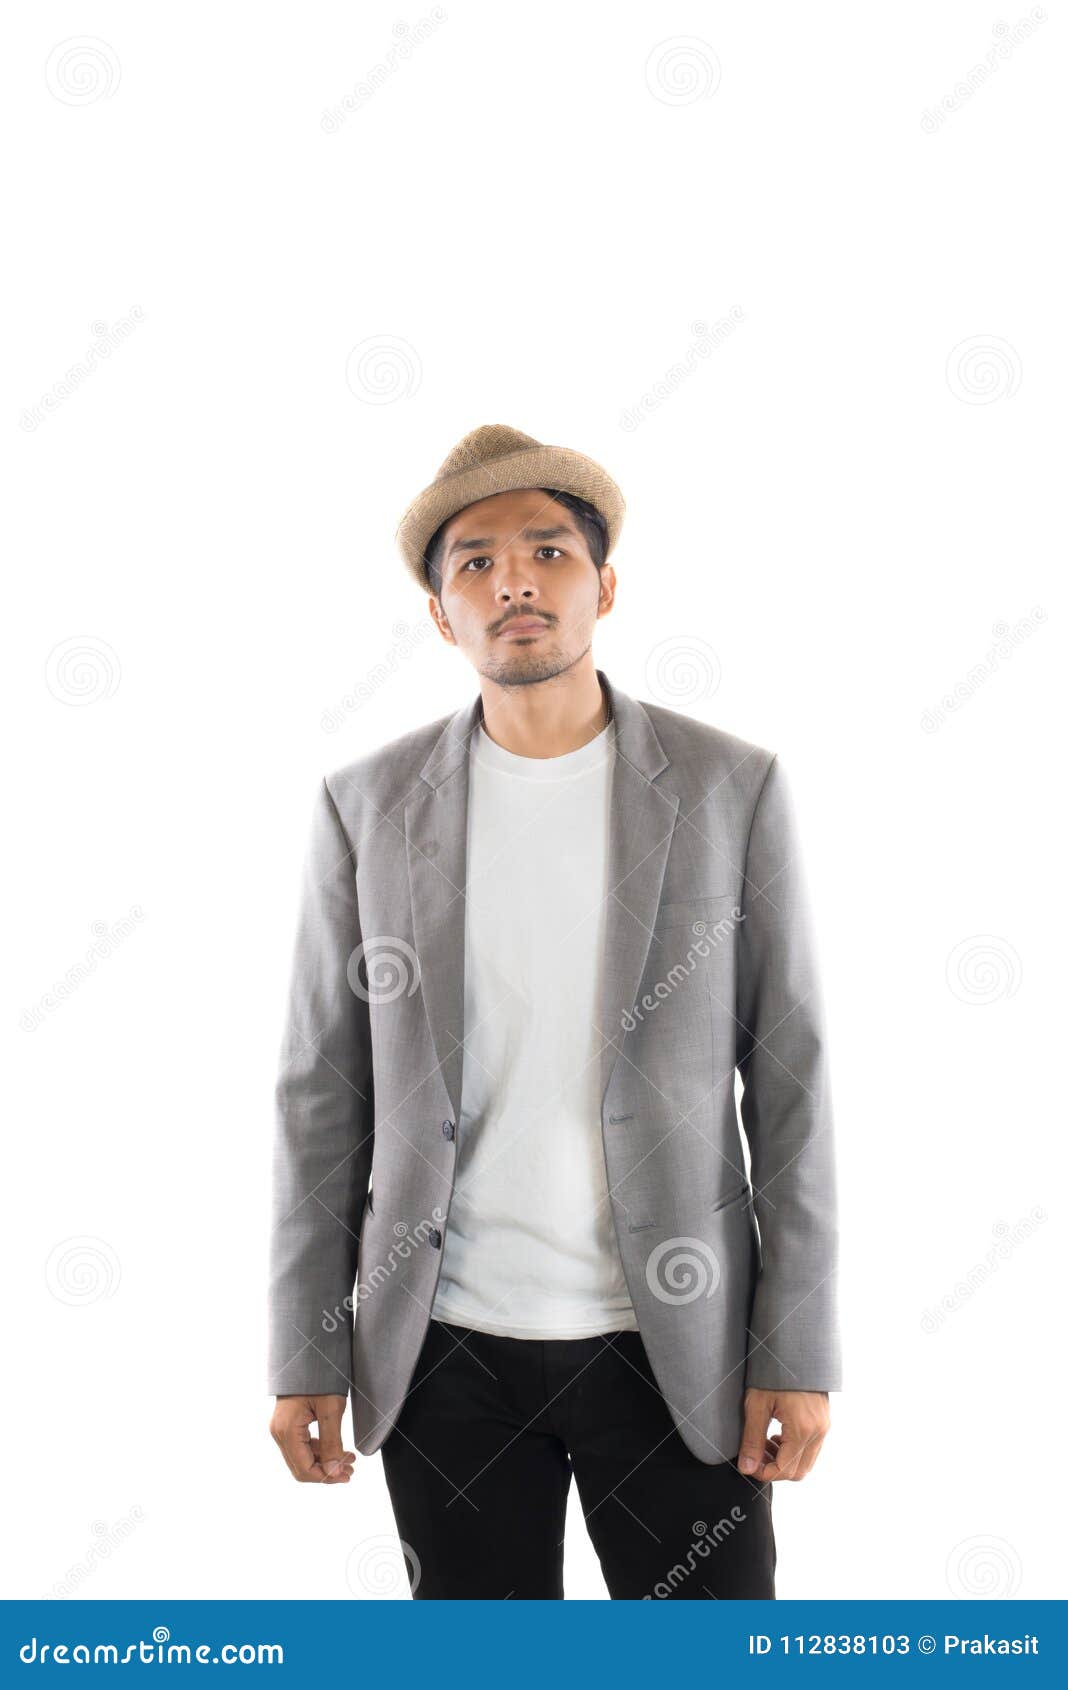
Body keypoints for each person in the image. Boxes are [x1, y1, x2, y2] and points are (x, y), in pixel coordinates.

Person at [268, 424, 841, 1599]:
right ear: (441, 615)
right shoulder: (366, 805)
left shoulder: (732, 786)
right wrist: (305, 1348)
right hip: (442, 1352)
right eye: (473, 562)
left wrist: (798, 1346)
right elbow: (323, 1095)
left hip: (679, 1346)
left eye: (547, 552)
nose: (513, 580)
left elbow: (791, 1080)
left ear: (606, 585)